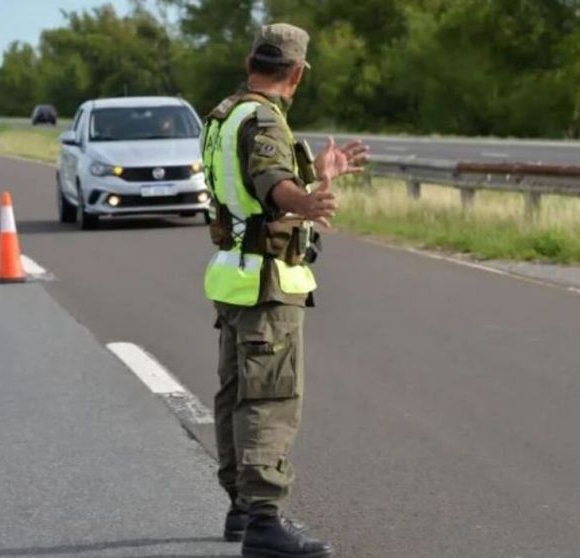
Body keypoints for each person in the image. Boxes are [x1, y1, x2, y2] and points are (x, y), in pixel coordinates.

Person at [201, 24, 369, 558]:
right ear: (296, 74)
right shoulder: (265, 120)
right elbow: (273, 182)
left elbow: (249, 185)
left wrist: (319, 173)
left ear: (251, 59)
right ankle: (265, 522)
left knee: (236, 395)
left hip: (234, 275)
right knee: (269, 398)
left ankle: (240, 507)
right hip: (266, 283)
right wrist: (307, 200)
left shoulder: (226, 114)